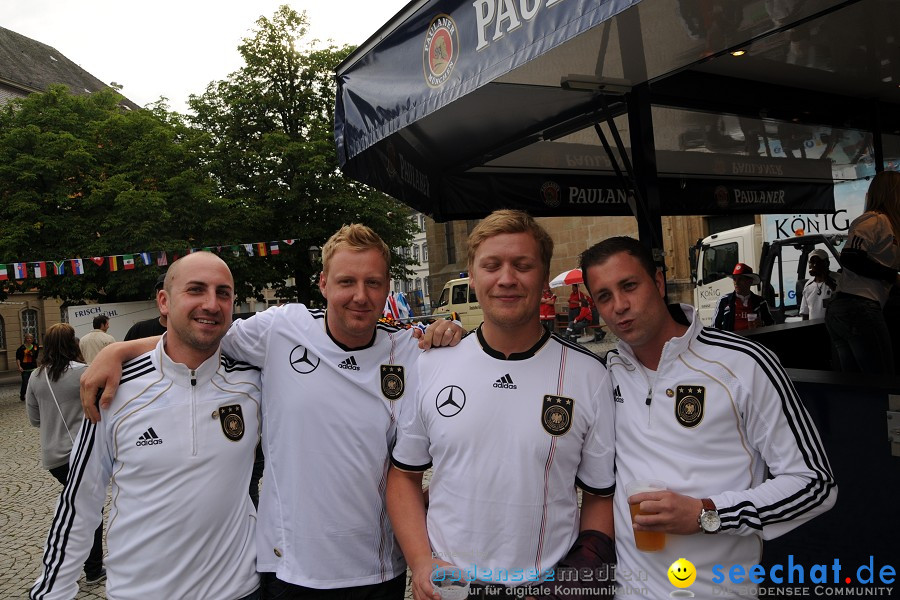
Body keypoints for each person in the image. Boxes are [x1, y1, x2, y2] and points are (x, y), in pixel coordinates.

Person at [81, 225, 463, 600]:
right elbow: (199, 336)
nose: (360, 296)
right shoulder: (281, 329)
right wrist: (119, 350)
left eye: (374, 283)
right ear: (324, 283)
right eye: (347, 282)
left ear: (386, 286)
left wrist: (452, 332)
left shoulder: (412, 351)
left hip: (379, 570)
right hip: (289, 571)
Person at [580, 236, 836, 598]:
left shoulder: (744, 364)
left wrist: (707, 514)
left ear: (657, 282)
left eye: (629, 286)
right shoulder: (606, 373)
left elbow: (815, 484)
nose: (620, 306)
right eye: (604, 296)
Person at [387, 210, 616, 600]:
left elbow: (599, 496)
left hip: (544, 588)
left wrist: (576, 580)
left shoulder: (589, 375)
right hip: (453, 588)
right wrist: (422, 563)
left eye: (523, 266)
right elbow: (403, 477)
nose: (507, 278)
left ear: (543, 278)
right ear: (472, 277)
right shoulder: (431, 364)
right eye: (492, 266)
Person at [31, 252, 262, 600]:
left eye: (223, 292)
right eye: (196, 290)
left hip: (241, 590)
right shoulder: (115, 390)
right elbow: (80, 501)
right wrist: (51, 592)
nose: (212, 304)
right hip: (141, 592)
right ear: (164, 302)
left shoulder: (253, 381)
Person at [26, 324, 105, 586]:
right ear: (74, 344)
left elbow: (34, 419)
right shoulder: (84, 373)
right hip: (81, 454)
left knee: (81, 508)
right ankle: (92, 569)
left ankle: (83, 565)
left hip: (55, 459)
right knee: (88, 510)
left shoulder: (36, 377)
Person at [826, 170, 900, 375]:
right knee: (881, 379)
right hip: (858, 307)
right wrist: (892, 276)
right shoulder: (875, 220)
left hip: (849, 308)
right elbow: (850, 257)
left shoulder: (889, 226)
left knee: (857, 384)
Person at [712, 263, 775, 331]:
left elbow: (771, 325)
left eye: (740, 279)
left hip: (753, 340)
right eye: (734, 279)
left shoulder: (760, 302)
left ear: (750, 282)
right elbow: (714, 327)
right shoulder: (724, 301)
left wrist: (762, 324)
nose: (736, 282)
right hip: (732, 341)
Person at [123, 273, 168, 340]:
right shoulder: (139, 331)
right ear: (157, 297)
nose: (163, 298)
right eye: (160, 293)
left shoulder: (187, 332)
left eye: (169, 292)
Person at [799, 249, 837, 320]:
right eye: (812, 262)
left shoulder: (838, 279)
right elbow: (805, 314)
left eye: (819, 262)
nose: (815, 265)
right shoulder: (808, 285)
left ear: (827, 263)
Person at [16, 332, 40, 402]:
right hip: (25, 368)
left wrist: (38, 366)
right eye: (27, 338)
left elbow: (36, 357)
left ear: (32, 339)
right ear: (25, 339)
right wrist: (19, 367)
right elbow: (18, 358)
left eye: (30, 338)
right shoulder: (21, 348)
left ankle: (34, 395)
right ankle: (22, 395)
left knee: (35, 382)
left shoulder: (35, 346)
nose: (29, 339)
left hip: (33, 367)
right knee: (25, 383)